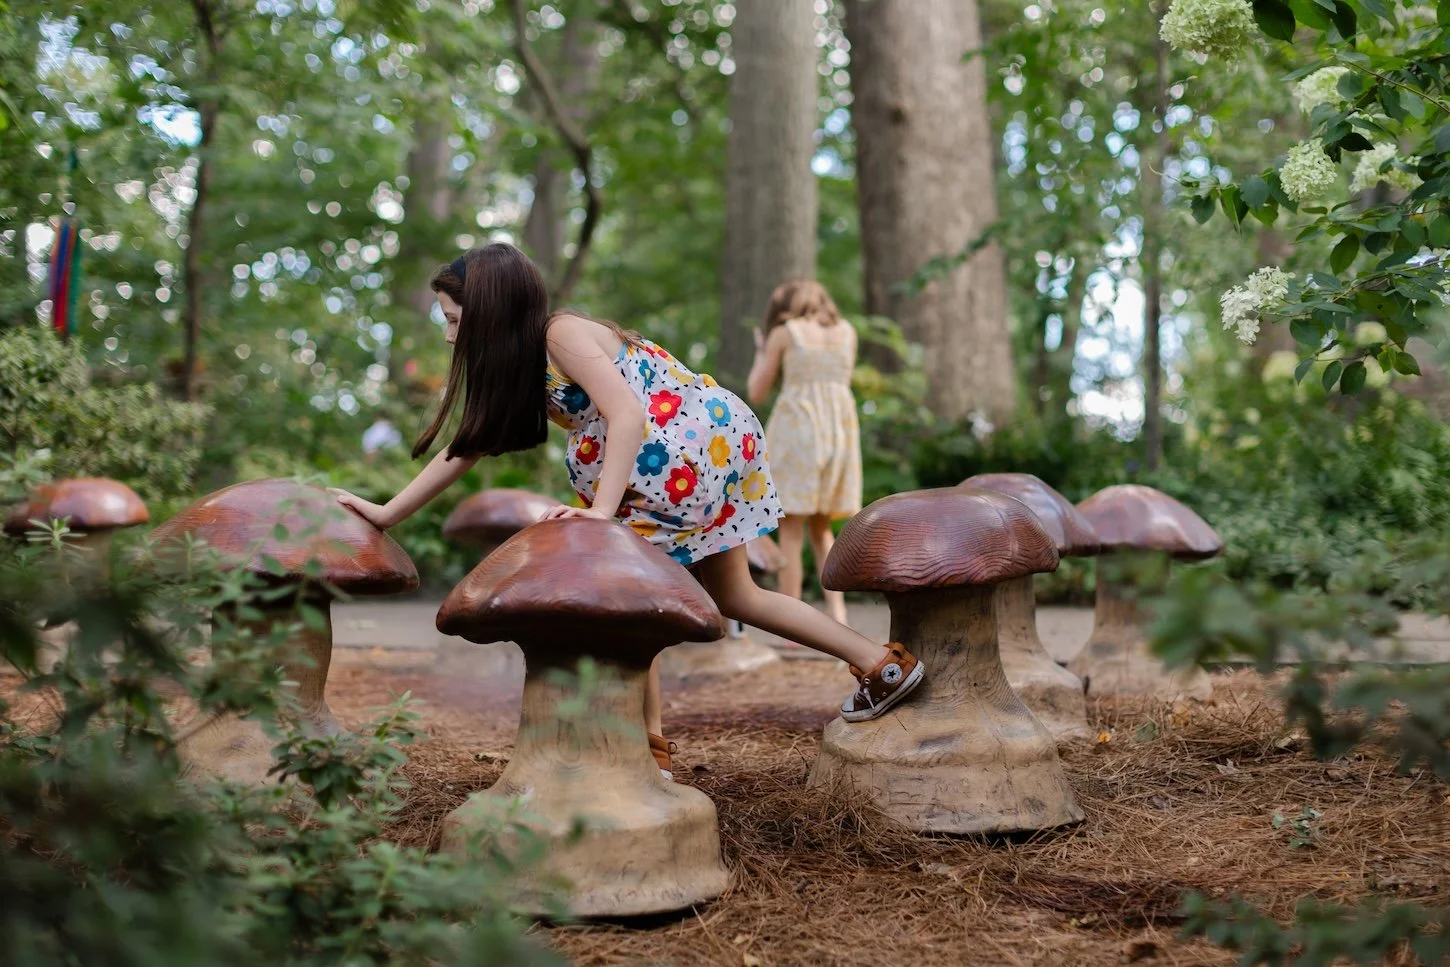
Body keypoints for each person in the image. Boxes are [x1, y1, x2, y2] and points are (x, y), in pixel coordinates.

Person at [331, 244, 924, 779]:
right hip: (709, 444)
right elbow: (468, 447)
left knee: (623, 602)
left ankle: (648, 749)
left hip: (674, 452)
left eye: (454, 321)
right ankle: (880, 664)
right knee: (739, 598)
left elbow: (628, 415)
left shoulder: (559, 333)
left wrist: (603, 515)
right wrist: (386, 514)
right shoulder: (523, 360)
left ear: (487, 308)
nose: (449, 336)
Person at [745, 279, 861, 627]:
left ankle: (792, 623)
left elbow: (757, 391)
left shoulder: (786, 332)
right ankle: (838, 614)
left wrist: (762, 351)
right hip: (838, 431)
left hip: (798, 430)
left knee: (791, 529)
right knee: (822, 528)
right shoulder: (847, 331)